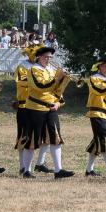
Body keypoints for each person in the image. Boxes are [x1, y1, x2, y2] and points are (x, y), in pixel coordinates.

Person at [23, 46, 73, 179]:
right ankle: (26, 171)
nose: (48, 60)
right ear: (38, 57)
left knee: (55, 138)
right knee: (32, 140)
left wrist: (58, 101)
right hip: (35, 108)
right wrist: (58, 78)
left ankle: (58, 170)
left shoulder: (52, 70)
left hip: (51, 108)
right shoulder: (33, 69)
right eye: (46, 57)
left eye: (50, 57)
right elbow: (41, 86)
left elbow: (57, 90)